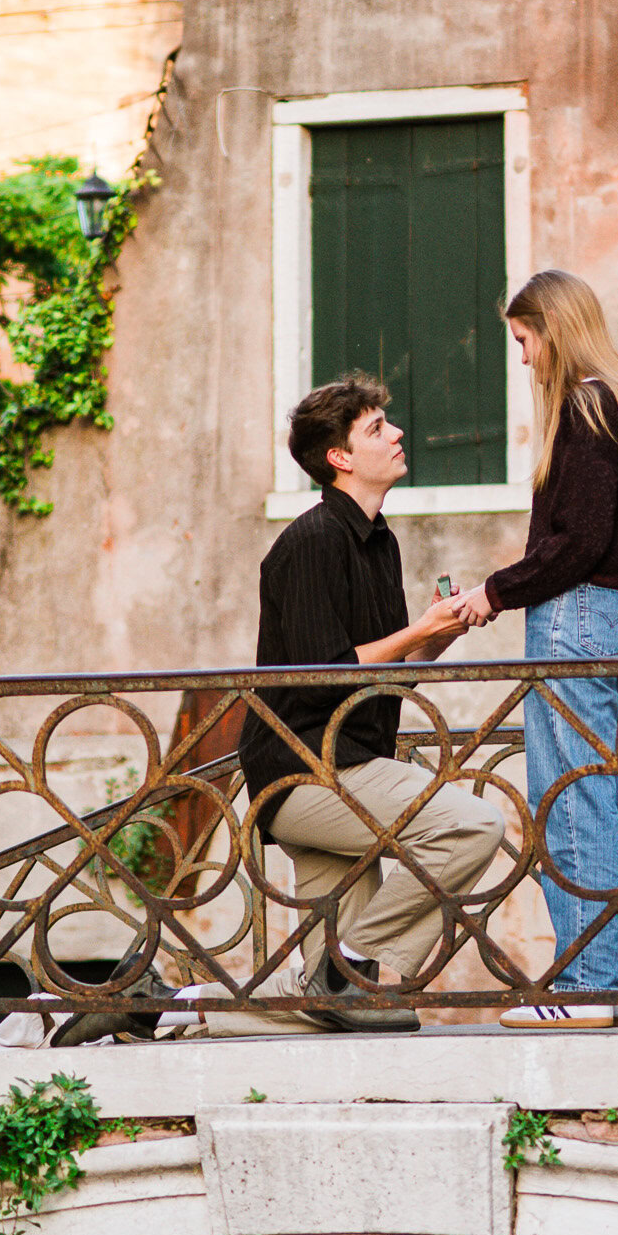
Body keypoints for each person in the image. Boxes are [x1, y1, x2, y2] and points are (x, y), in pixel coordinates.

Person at [239, 373, 505, 1033]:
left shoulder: (378, 540)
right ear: (341, 457)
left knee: (332, 1017)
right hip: (306, 771)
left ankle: (163, 1012)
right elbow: (324, 673)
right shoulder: (308, 544)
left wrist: (435, 637)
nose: (397, 433)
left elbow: (389, 672)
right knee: (473, 827)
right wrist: (417, 631)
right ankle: (349, 961)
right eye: (377, 428)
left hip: (348, 759)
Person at [458, 271, 618, 1030]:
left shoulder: (584, 402)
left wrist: (494, 591)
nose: (522, 358)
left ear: (551, 327)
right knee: (609, 802)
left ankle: (583, 987)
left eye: (522, 340)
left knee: (570, 798)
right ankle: (617, 988)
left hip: (576, 615)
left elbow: (578, 541)